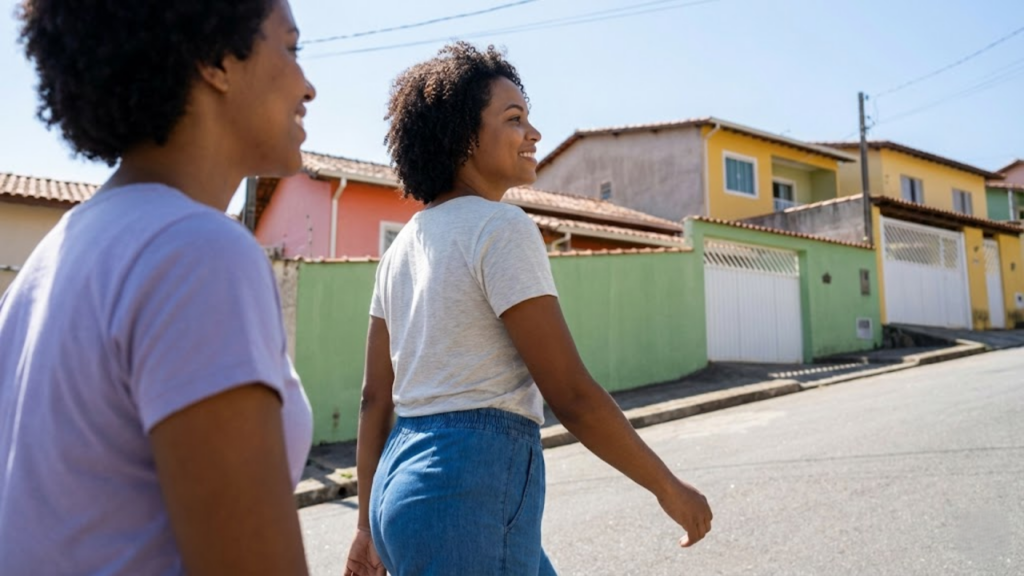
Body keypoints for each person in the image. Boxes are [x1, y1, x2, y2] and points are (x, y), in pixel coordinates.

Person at [345, 42, 712, 576]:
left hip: (400, 490)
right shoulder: (502, 227)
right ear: (462, 136)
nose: (534, 134)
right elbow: (571, 394)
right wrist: (668, 488)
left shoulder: (401, 247)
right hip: (464, 494)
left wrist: (363, 527)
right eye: (514, 119)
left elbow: (374, 399)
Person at [0, 1, 316, 573]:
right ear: (216, 58)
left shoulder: (54, 258)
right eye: (291, 48)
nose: (308, 85)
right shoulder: (197, 252)